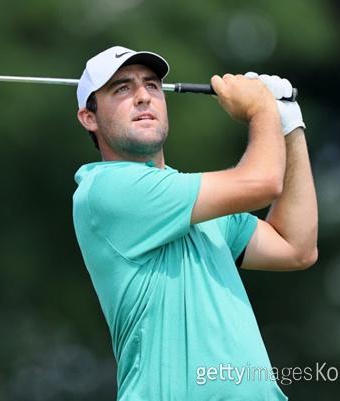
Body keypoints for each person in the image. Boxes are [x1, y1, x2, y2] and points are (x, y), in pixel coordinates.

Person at [72, 45, 318, 400]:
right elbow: (263, 183)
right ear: (89, 117)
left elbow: (296, 246)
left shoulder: (195, 203)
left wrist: (289, 125)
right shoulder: (106, 189)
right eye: (122, 88)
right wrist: (261, 109)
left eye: (152, 85)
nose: (143, 96)